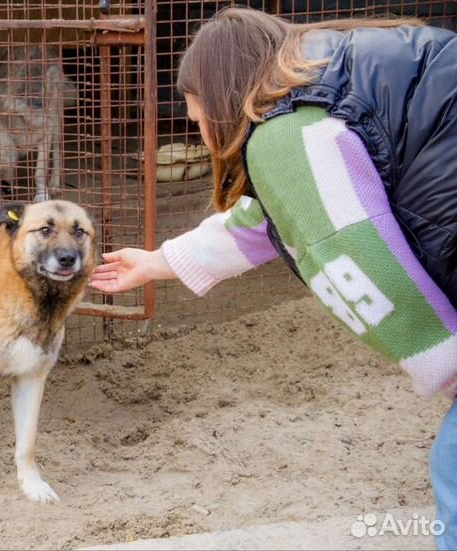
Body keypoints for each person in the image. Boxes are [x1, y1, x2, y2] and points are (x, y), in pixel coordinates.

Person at [89, 7, 457, 549]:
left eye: (194, 117)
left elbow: (354, 263)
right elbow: (271, 215)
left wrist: (448, 368)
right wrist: (157, 261)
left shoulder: (285, 136)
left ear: (220, 97)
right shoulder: (334, 71)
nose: (196, 131)